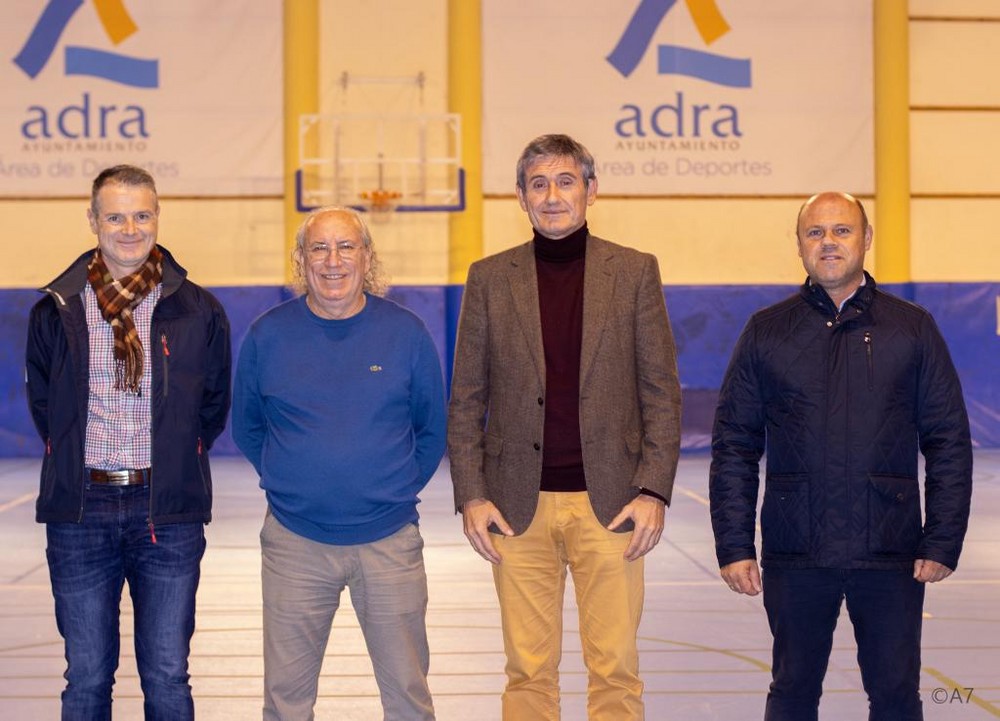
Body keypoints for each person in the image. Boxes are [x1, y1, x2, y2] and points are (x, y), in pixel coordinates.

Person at [709, 191, 973, 721]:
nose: (828, 242)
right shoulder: (766, 331)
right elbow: (736, 444)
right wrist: (734, 544)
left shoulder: (912, 327)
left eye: (842, 230)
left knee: (897, 696)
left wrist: (943, 539)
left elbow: (947, 439)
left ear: (866, 239)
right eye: (816, 232)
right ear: (800, 245)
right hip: (796, 551)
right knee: (792, 694)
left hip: (891, 550)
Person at [448, 133, 682, 721]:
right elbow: (466, 397)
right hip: (514, 506)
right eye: (539, 184)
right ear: (521, 198)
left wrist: (653, 489)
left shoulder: (633, 272)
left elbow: (661, 391)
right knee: (527, 674)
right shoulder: (488, 278)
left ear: (591, 190)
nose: (553, 196)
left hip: (613, 504)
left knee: (615, 671)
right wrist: (472, 495)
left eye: (565, 181)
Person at [24, 164, 232, 720]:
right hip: (81, 511)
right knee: (87, 678)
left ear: (158, 215)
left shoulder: (198, 309)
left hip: (167, 513)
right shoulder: (55, 309)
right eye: (115, 216)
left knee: (167, 676)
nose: (130, 228)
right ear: (92, 220)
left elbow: (212, 405)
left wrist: (173, 461)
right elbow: (47, 410)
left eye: (142, 214)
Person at [232, 207, 446, 721]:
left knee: (409, 701)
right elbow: (248, 426)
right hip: (295, 546)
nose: (333, 261)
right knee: (285, 704)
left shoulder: (407, 333)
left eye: (346, 247)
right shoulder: (267, 335)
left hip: (390, 545)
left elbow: (432, 430)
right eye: (319, 248)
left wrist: (387, 492)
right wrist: (295, 485)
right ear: (301, 260)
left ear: (366, 256)